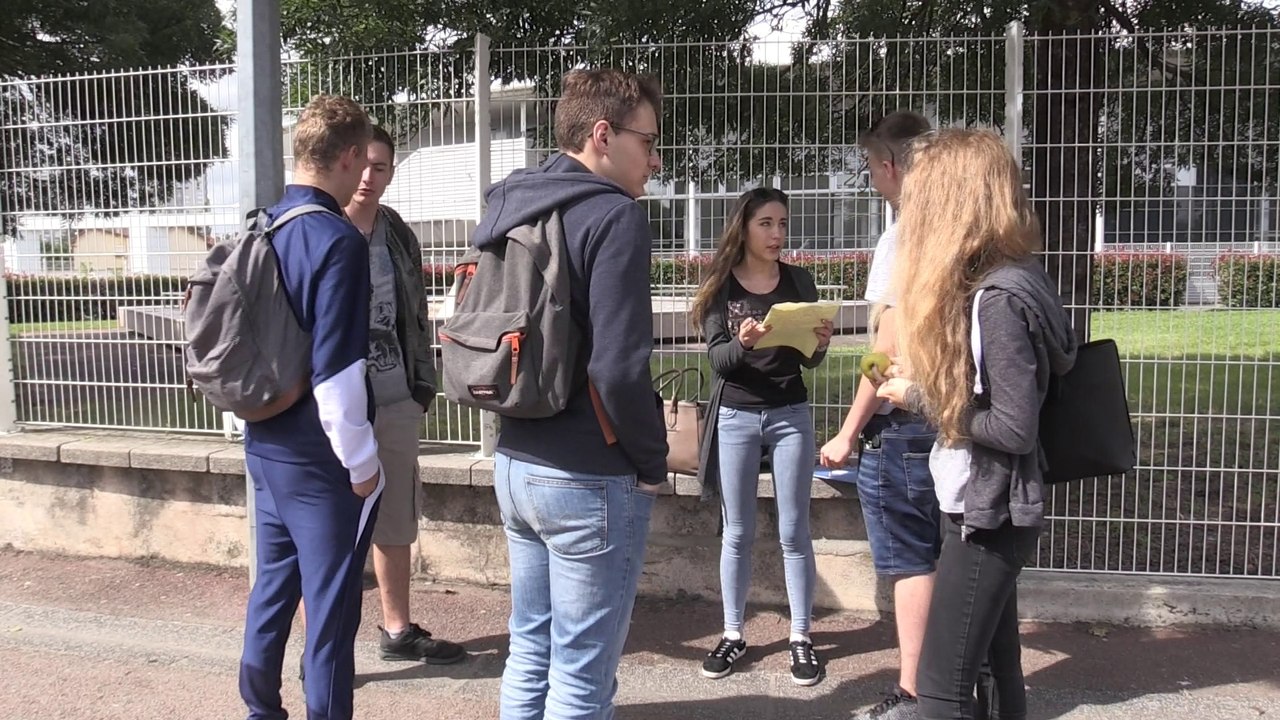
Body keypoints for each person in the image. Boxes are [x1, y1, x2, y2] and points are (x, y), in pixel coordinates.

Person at [473, 68, 668, 720]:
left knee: (529, 648)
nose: (656, 157)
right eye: (648, 141)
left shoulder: (514, 199)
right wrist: (650, 461)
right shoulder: (613, 216)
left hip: (515, 458)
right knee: (582, 676)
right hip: (588, 474)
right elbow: (619, 368)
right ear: (603, 134)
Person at [875, 128, 1077, 720]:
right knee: (997, 668)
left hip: (988, 511)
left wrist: (924, 397)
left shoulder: (997, 299)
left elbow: (1013, 427)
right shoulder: (1016, 279)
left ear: (950, 203)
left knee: (939, 691)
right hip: (988, 505)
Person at [237, 94, 381, 720]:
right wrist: (363, 461)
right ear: (350, 156)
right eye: (364, 160)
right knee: (330, 611)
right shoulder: (337, 240)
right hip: (321, 461)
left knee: (272, 590)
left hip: (264, 442)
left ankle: (259, 709)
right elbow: (338, 373)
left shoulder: (260, 225)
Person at [818, 110, 938, 718]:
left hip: (903, 422)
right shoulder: (961, 228)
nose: (870, 177)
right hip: (952, 416)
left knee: (911, 560)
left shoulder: (902, 235)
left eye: (870, 166)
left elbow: (883, 349)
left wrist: (847, 431)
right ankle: (964, 682)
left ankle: (915, 691)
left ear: (889, 167)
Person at [690, 187, 833, 687]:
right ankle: (733, 633)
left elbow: (809, 361)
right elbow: (719, 363)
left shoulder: (798, 280)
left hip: (790, 413)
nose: (777, 234)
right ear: (744, 227)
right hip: (736, 416)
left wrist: (818, 345)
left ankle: (800, 637)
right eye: (766, 224)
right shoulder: (720, 286)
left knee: (794, 530)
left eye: (783, 224)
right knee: (738, 531)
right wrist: (742, 342)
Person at [340, 124, 466, 664]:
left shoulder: (395, 232)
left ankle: (397, 630)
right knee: (333, 527)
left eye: (382, 167)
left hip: (394, 399)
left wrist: (420, 387)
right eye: (363, 164)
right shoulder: (321, 227)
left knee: (394, 520)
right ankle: (328, 645)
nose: (370, 177)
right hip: (337, 405)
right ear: (345, 162)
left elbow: (414, 313)